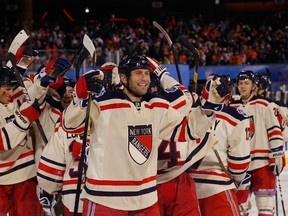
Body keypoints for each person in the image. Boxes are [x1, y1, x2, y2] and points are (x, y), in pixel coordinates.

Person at [61, 54, 229, 215]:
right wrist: (80, 99)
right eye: (138, 73)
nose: (144, 78)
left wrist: (208, 108)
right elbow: (71, 125)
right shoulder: (102, 103)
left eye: (147, 73)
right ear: (124, 78)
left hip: (146, 200)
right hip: (105, 199)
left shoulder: (157, 105)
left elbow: (186, 130)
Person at [37, 62, 121, 216]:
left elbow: (50, 170)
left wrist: (48, 189)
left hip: (75, 194)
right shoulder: (120, 116)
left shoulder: (66, 120)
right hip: (111, 196)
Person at [146, 58, 221, 216]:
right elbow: (182, 92)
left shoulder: (135, 108)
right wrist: (162, 72)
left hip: (147, 183)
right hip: (179, 177)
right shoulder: (180, 99)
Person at [189, 74, 252, 216]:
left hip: (185, 190)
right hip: (217, 189)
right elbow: (239, 164)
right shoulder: (236, 117)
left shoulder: (188, 112)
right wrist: (237, 180)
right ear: (228, 94)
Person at [230, 70, 285, 216]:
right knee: (240, 208)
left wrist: (277, 156)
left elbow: (274, 132)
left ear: (254, 86)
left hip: (263, 165)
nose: (243, 86)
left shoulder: (264, 105)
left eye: (246, 83)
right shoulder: (232, 108)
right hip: (240, 166)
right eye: (241, 83)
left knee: (265, 207)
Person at [0, 66, 48, 216]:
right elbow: (2, 142)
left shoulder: (15, 96)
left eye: (12, 89)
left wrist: (42, 84)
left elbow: (30, 94)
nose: (10, 93)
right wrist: (24, 118)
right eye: (6, 89)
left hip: (26, 175)